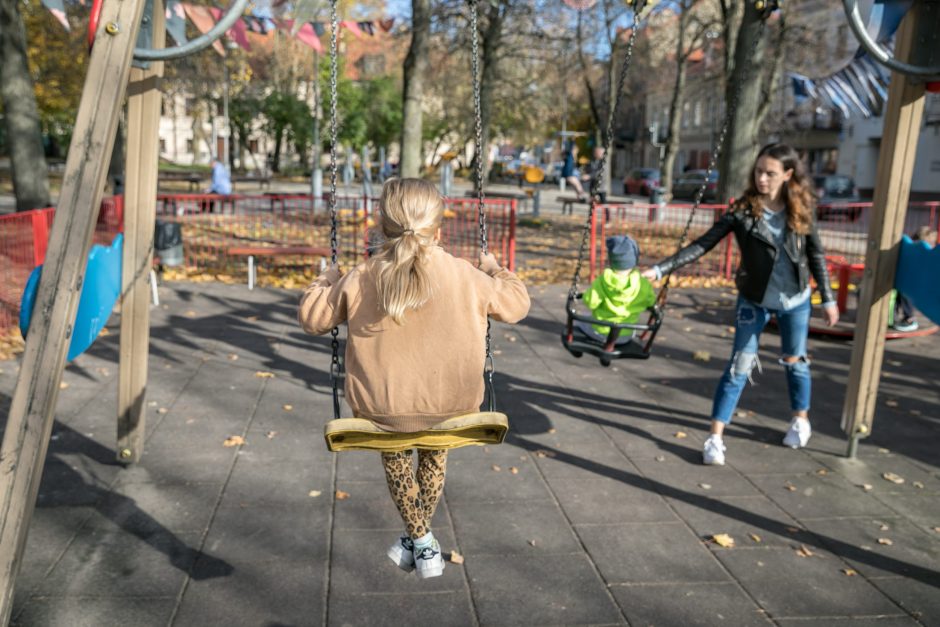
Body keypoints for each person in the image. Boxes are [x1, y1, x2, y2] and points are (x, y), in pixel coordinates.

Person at [297, 178, 530, 579]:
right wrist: (494, 268)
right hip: (452, 407)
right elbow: (516, 304)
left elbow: (312, 318)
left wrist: (327, 278)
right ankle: (419, 541)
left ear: (381, 228)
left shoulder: (361, 275)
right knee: (434, 451)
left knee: (396, 449)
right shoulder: (466, 274)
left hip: (382, 409)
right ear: (438, 230)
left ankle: (420, 541)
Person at [642, 143, 839, 466]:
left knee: (796, 361)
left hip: (796, 300)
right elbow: (703, 244)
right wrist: (660, 268)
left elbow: (815, 254)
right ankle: (715, 438)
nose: (762, 178)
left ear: (787, 175)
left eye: (770, 173)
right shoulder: (743, 211)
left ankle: (800, 418)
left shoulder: (802, 209)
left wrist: (828, 299)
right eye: (759, 171)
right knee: (739, 366)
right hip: (754, 299)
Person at [575, 235, 656, 344]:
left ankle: (579, 347)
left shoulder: (602, 281)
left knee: (580, 322)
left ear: (611, 261)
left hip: (600, 333)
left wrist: (586, 296)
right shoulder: (643, 284)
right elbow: (651, 302)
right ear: (634, 261)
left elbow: (591, 303)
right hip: (625, 336)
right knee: (630, 328)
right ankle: (607, 355)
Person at [893, 225, 938, 332]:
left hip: (921, 284)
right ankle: (901, 316)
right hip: (914, 282)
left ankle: (910, 319)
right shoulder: (917, 254)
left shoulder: (928, 257)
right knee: (901, 293)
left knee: (905, 294)